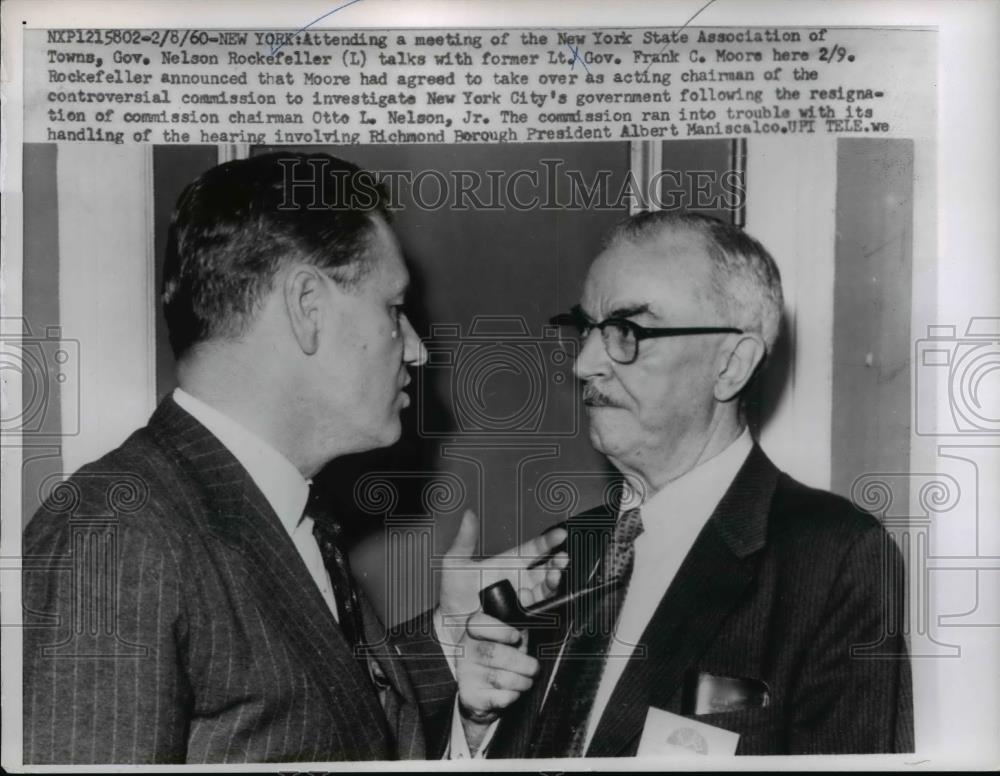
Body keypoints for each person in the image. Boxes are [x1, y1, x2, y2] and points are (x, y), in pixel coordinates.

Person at [21, 152, 564, 764]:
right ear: (308, 306)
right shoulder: (115, 537)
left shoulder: (282, 509)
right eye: (393, 309)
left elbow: (312, 710)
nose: (414, 348)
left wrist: (446, 642)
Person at [466, 210, 913, 757]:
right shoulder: (567, 553)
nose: (584, 364)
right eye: (586, 329)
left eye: (627, 331)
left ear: (731, 365)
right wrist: (475, 726)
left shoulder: (834, 558)